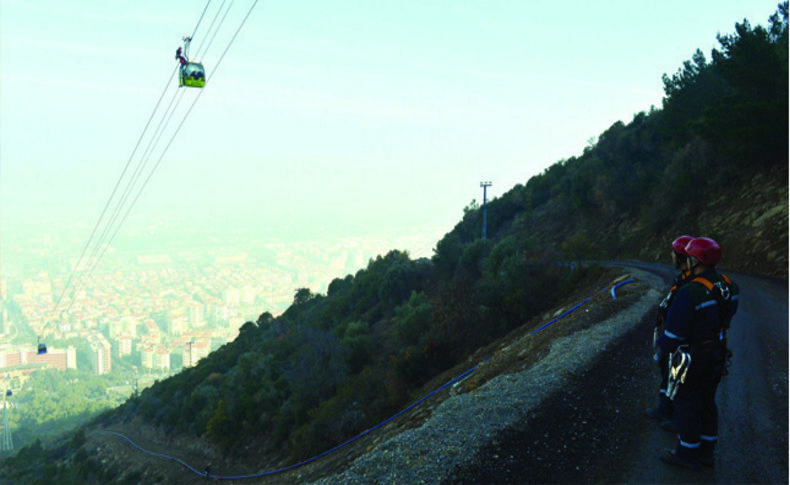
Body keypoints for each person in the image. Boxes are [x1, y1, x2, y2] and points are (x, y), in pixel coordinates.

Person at [657, 237, 739, 470]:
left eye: (690, 257)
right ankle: (706, 451)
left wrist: (662, 349)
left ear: (695, 260)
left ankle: (687, 453)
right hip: (717, 353)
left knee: (686, 402)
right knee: (707, 402)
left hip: (691, 357)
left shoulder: (690, 292)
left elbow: (673, 336)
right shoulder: (729, 285)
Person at [646, 235, 695, 426]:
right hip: (672, 334)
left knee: (678, 378)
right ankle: (664, 409)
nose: (671, 256)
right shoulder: (682, 278)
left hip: (681, 339)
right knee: (668, 374)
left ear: (682, 256)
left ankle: (677, 417)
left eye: (674, 253)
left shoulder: (691, 282)